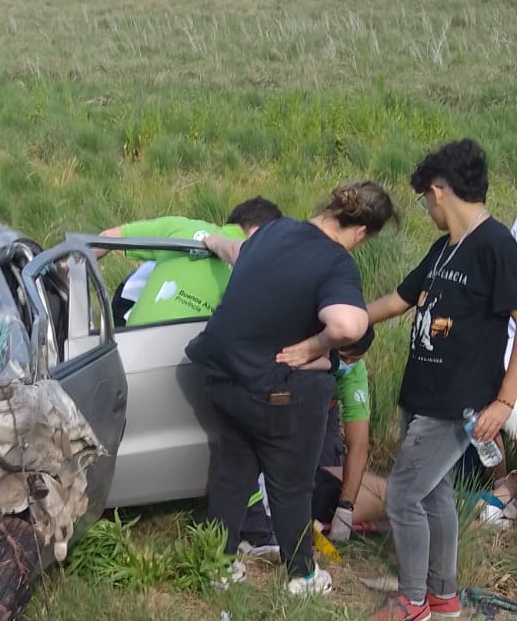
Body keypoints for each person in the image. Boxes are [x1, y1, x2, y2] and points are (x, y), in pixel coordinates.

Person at [333, 140, 517, 621]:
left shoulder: (497, 246)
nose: (426, 208)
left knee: (403, 495)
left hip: (457, 403)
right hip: (422, 393)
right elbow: (399, 299)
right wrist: (345, 322)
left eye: (424, 199)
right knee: (434, 494)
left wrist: (503, 400)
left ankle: (410, 602)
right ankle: (443, 597)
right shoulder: (443, 249)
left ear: (439, 192)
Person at [185, 181, 395, 595]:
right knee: (292, 485)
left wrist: (209, 240)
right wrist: (315, 346)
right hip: (274, 393)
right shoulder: (336, 262)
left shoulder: (275, 230)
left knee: (231, 476)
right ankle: (301, 575)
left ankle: (217, 565)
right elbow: (350, 325)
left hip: (224, 377)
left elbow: (237, 250)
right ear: (362, 232)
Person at [239, 335, 387, 552]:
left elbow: (358, 445)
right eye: (343, 356)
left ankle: (400, 504)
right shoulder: (297, 347)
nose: (346, 363)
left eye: (354, 359)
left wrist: (345, 507)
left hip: (323, 414)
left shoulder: (352, 373)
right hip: (284, 403)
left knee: (326, 489)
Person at [100, 197, 281, 326]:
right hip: (182, 365)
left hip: (128, 347)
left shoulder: (180, 226)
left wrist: (72, 272)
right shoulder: (254, 264)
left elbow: (107, 238)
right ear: (258, 232)